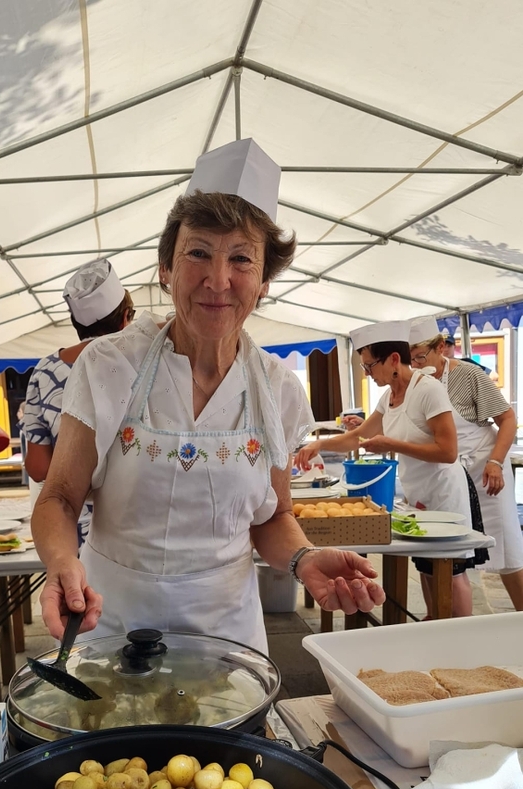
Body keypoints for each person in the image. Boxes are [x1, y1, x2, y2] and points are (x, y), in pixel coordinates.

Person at [33, 137, 385, 649]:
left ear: (264, 282)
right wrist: (62, 562)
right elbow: (59, 497)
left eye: (241, 259)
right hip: (110, 624)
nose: (218, 281)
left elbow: (274, 516)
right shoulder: (108, 365)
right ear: (166, 269)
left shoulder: (278, 389)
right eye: (198, 253)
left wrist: (303, 558)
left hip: (227, 635)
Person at [296, 319, 474, 618]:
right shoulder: (388, 396)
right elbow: (358, 436)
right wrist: (320, 444)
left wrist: (391, 443)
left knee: (450, 570)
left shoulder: (428, 390)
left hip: (444, 492)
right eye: (363, 367)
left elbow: (448, 451)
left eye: (370, 365)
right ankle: (434, 624)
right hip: (417, 492)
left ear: (393, 359)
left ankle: (460, 634)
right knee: (427, 568)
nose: (367, 373)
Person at [410, 316, 523, 611]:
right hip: (447, 478)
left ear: (440, 348)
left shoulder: (468, 375)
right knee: (441, 554)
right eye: (410, 359)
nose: (416, 365)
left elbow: (507, 419)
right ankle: (438, 618)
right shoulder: (413, 383)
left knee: (508, 551)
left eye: (420, 357)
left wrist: (496, 461)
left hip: (485, 471)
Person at [23, 259, 134, 544]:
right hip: (134, 531)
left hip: (71, 530)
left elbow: (37, 467)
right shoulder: (142, 364)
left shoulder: (45, 371)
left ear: (75, 323)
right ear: (126, 318)